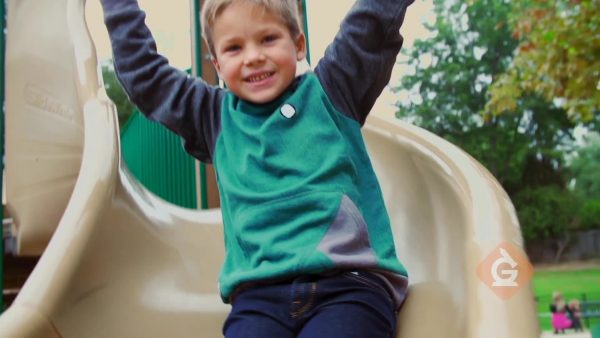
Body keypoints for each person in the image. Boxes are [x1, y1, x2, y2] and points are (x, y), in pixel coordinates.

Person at [100, 0, 413, 336]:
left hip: (349, 286)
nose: (252, 57)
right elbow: (145, 75)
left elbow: (372, 21)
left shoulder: (331, 92)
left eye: (267, 39)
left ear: (298, 45)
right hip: (259, 298)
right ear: (217, 64)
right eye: (234, 48)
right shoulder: (213, 117)